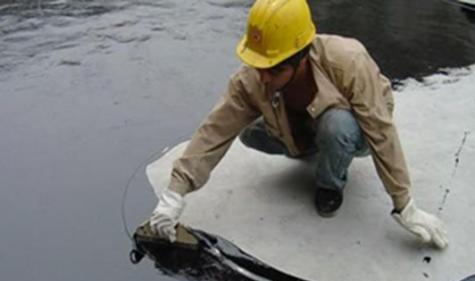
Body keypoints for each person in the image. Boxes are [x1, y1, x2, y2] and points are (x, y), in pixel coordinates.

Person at [150, 0, 448, 249]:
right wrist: (175, 193)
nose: (263, 77)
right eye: (259, 67)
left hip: (355, 130)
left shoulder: (348, 61)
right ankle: (309, 147)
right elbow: (215, 129)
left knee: (336, 127)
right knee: (248, 132)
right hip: (305, 124)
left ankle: (330, 184)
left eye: (274, 69)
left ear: (301, 57)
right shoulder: (253, 78)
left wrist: (404, 203)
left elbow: (380, 130)